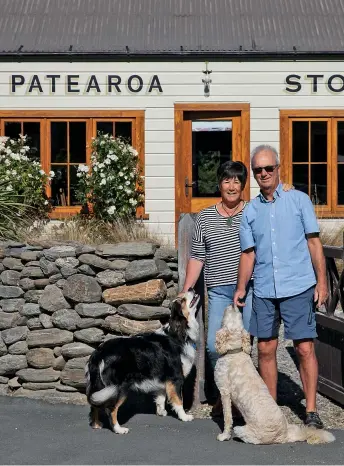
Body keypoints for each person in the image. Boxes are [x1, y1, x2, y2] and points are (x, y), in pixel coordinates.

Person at [234, 144, 328, 429]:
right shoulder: (250, 212)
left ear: (278, 168)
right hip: (263, 289)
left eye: (268, 168)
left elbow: (314, 243)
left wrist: (322, 282)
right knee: (265, 349)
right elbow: (248, 254)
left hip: (298, 286)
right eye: (258, 170)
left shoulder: (298, 200)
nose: (264, 173)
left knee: (304, 349)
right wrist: (241, 288)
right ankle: (270, 412)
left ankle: (311, 410)